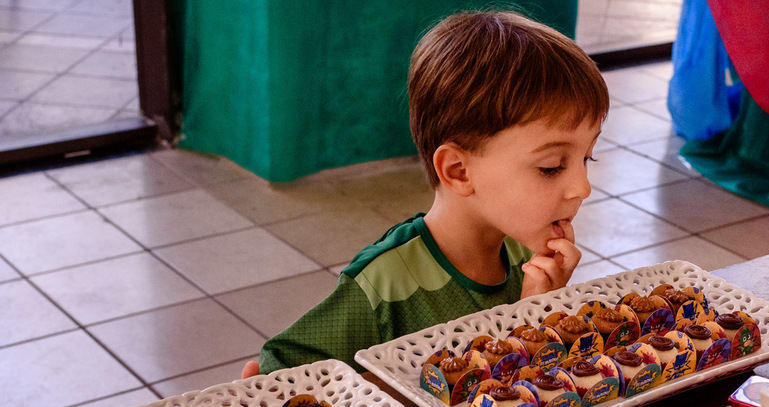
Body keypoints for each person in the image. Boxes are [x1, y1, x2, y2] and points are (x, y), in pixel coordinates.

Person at [243, 9, 609, 378]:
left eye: (586, 158)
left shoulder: (527, 255)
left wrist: (539, 310)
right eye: (551, 166)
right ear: (459, 171)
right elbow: (283, 368)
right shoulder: (385, 282)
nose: (582, 187)